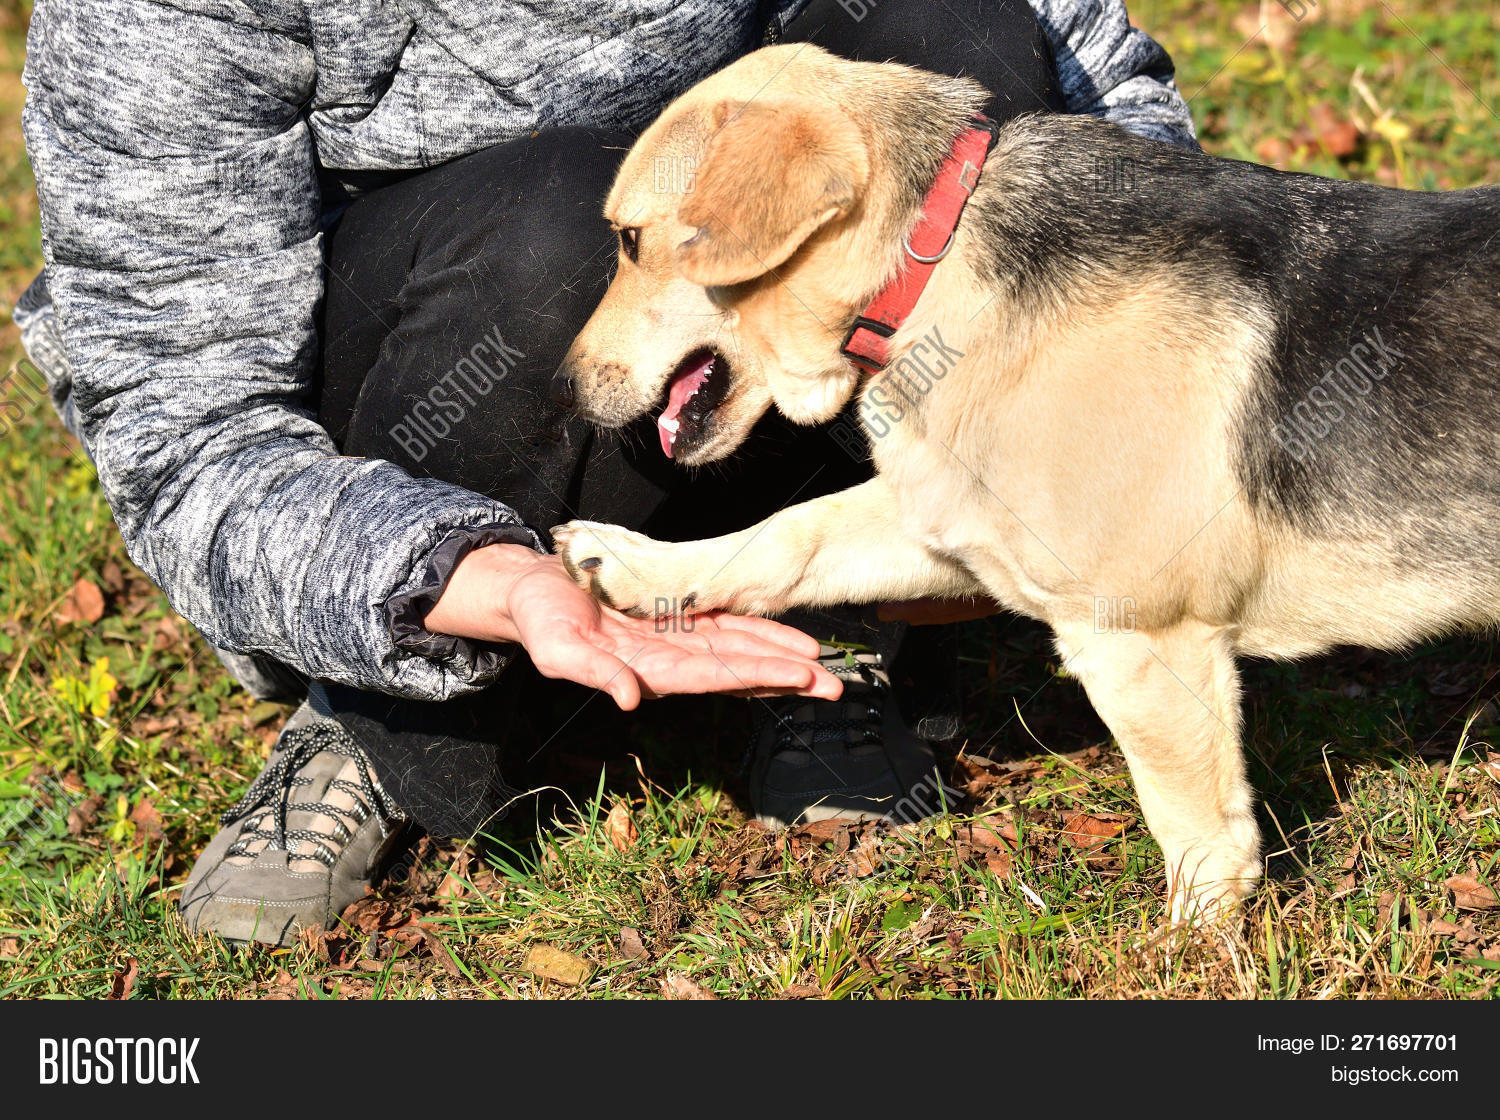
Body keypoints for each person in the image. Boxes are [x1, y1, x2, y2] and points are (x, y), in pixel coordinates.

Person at [17, 0, 1198, 946]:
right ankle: (383, 706)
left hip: (718, 365)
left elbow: (1101, 104)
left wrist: (1118, 400)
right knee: (557, 236)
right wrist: (432, 568)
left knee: (957, 38)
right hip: (421, 386)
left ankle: (864, 589)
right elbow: (185, 427)